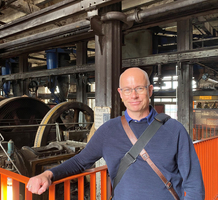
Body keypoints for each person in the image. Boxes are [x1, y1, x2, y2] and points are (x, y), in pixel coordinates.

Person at [27, 67, 205, 200]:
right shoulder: (108, 131)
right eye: (127, 90)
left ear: (150, 90)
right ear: (120, 94)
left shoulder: (174, 130)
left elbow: (194, 184)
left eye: (139, 88)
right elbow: (81, 161)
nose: (133, 95)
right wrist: (48, 175)